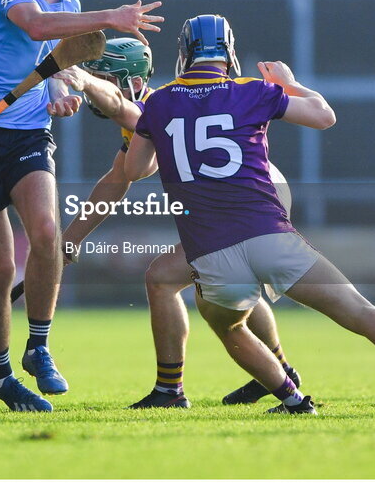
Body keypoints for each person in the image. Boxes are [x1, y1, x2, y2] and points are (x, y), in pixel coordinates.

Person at [125, 14, 375, 416]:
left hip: (211, 250)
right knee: (358, 310)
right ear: (229, 52)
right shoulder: (254, 90)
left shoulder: (159, 101)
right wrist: (290, 82)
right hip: (270, 236)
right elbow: (323, 115)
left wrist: (140, 127)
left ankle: (293, 400)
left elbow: (133, 170)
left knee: (229, 326)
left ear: (184, 53)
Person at [0, 0, 162, 412]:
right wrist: (111, 17)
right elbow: (36, 28)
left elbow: (62, 66)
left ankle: (38, 346)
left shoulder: (70, 1)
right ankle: (0, 375)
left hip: (28, 134)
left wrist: (60, 93)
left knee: (46, 235)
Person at [54, 39, 301, 409]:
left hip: (252, 200)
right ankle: (280, 372)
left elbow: (120, 129)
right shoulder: (157, 106)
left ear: (131, 80)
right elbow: (117, 180)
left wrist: (86, 83)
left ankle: (172, 389)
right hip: (263, 196)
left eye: (103, 77)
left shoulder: (152, 107)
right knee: (230, 287)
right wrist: (72, 237)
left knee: (168, 280)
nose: (96, 85)